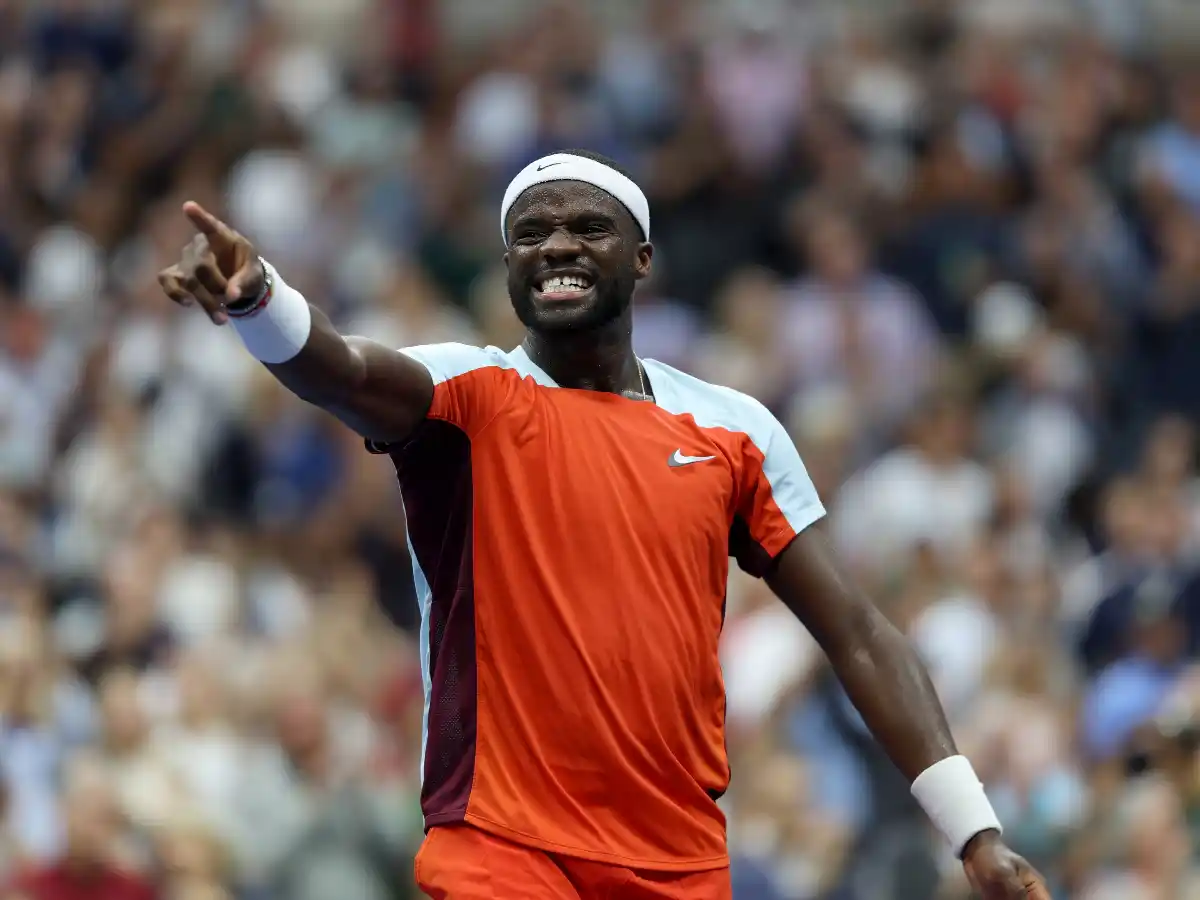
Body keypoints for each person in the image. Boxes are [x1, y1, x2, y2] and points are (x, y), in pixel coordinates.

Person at [157, 149, 1051, 899]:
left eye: (588, 227)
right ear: (507, 266)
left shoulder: (734, 429)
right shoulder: (469, 395)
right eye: (530, 233)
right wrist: (258, 298)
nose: (556, 245)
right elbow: (344, 370)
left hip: (677, 859)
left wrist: (974, 832)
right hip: (503, 845)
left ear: (643, 258)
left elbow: (856, 631)